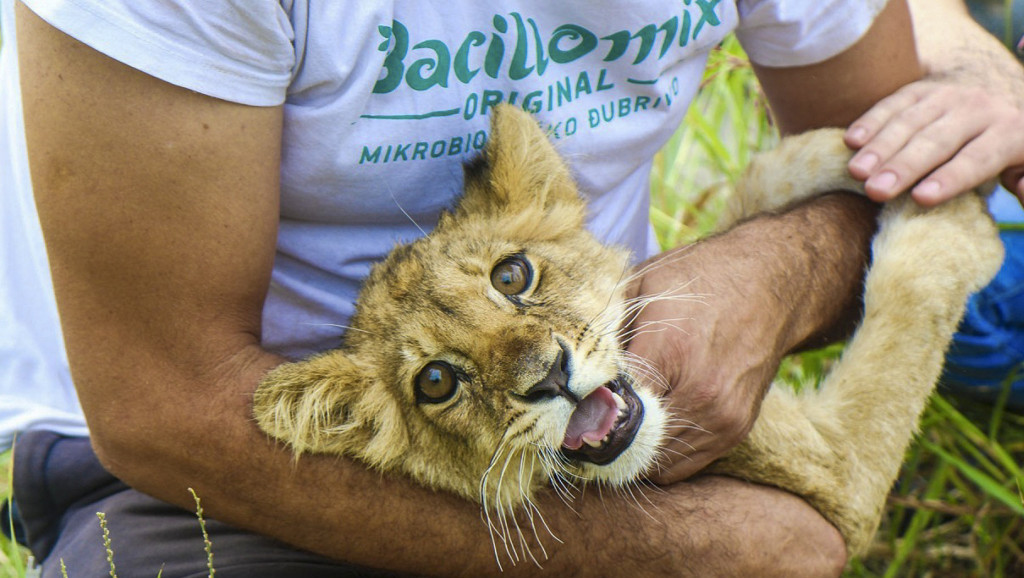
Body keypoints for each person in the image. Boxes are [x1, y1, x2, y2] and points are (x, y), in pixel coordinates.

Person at [0, 2, 1020, 578]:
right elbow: (163, 404)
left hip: (591, 407)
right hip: (250, 449)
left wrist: (770, 271)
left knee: (994, 280)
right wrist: (686, 546)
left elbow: (874, 170)